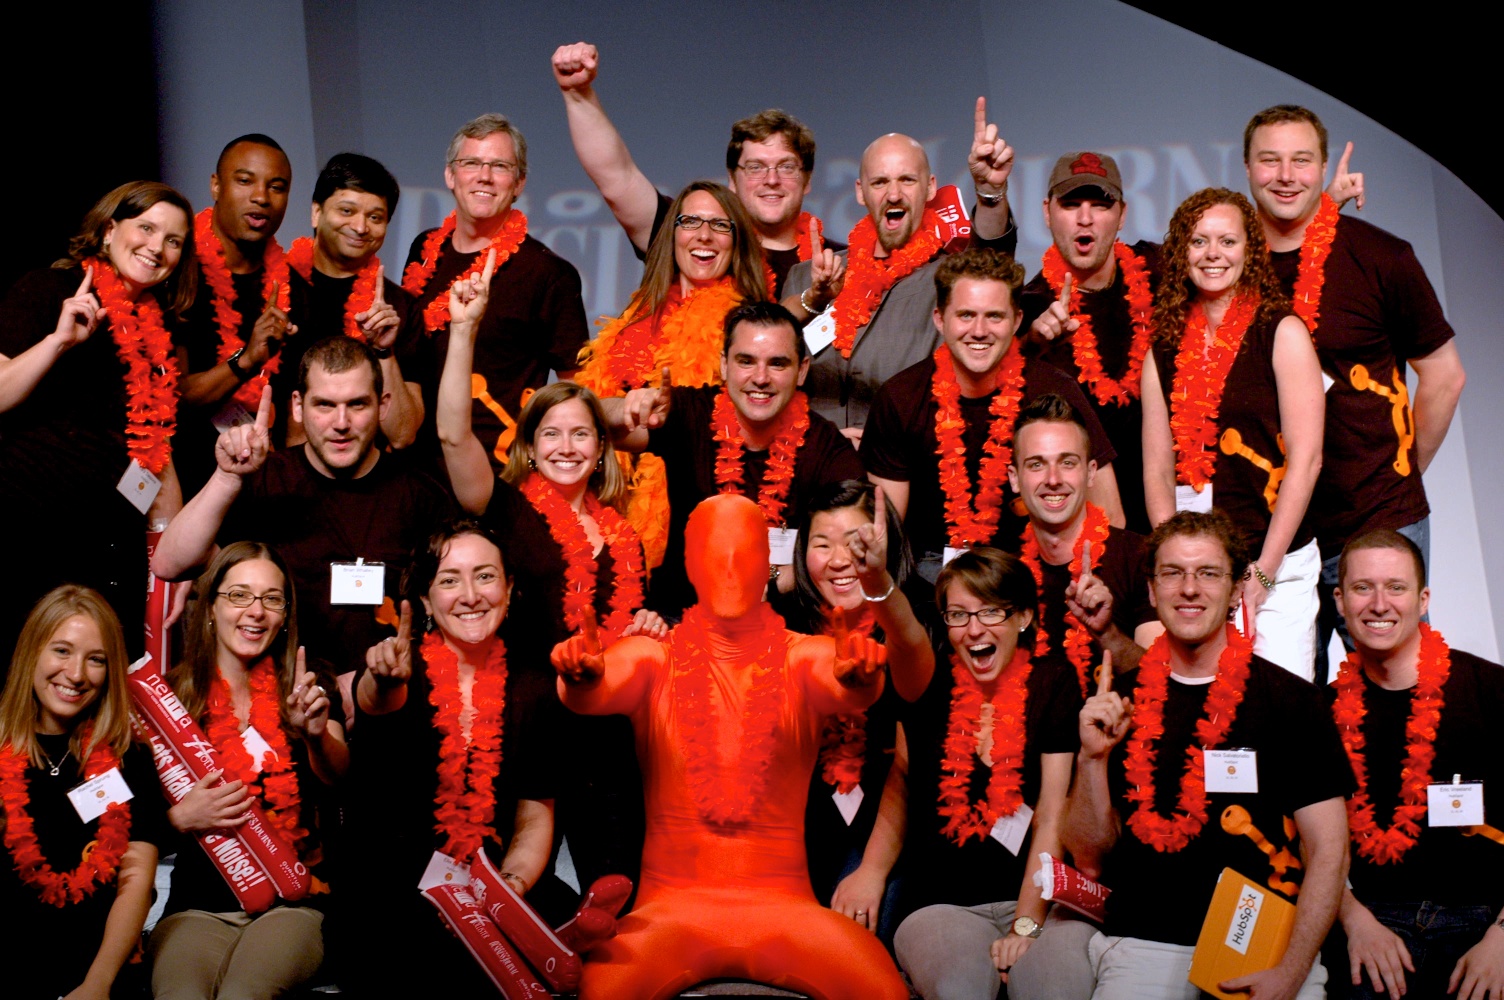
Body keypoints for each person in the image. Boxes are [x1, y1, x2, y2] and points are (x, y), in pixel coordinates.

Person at [551, 494, 909, 999]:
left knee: (883, 989)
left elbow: (842, 678)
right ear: (691, 567)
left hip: (785, 908)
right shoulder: (656, 657)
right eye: (715, 556)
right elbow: (599, 687)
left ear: (768, 564)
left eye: (744, 555)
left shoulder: (801, 654)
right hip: (669, 911)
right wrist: (580, 677)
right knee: (599, 992)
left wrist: (861, 680)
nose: (730, 570)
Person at [1062, 510, 1351, 1000]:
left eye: (1208, 573)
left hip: (1268, 951)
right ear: (1152, 592)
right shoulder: (1118, 703)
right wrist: (1092, 759)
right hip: (1143, 948)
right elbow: (1088, 858)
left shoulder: (1293, 703)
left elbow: (1329, 852)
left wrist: (1291, 970)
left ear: (1238, 589)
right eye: (1172, 573)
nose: (1189, 589)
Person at [1242, 105, 1466, 675]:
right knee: (1288, 703)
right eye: (1270, 160)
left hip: (1375, 515)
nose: (1286, 175)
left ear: (1322, 168)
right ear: (1247, 169)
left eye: (1301, 160)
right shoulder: (1227, 265)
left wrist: (1400, 469)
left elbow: (1444, 375)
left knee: (1395, 686)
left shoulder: (1381, 256)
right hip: (1273, 537)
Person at [151, 336, 455, 683]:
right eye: (324, 405)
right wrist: (226, 477)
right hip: (277, 699)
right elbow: (169, 563)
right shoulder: (262, 479)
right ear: (298, 406)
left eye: (357, 405)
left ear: (383, 405)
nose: (341, 422)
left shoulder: (422, 497)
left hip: (385, 695)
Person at [347, 519, 562, 994]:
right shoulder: (399, 672)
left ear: (509, 589)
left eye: (484, 576)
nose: (470, 595)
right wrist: (380, 681)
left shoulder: (535, 687)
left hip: (498, 879)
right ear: (425, 600)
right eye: (448, 580)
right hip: (399, 892)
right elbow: (374, 702)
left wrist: (507, 890)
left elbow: (534, 814)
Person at [0, 181, 195, 660]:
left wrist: (172, 561)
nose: (156, 247)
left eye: (173, 240)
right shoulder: (49, 289)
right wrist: (58, 343)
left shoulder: (160, 328)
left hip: (106, 541)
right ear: (109, 230)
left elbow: (157, 453)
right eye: (146, 228)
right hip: (24, 529)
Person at [1142, 187, 1325, 679]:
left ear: (1251, 249)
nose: (1213, 255)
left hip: (1275, 560)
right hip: (1194, 573)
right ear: (1181, 252)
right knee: (1203, 710)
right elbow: (1158, 469)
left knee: (1280, 706)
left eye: (1227, 241)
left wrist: (1264, 570)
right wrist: (1173, 563)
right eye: (1199, 242)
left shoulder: (1281, 331)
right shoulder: (1161, 345)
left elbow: (1307, 460)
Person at [148, 542, 345, 999]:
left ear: (285, 614)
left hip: (292, 906)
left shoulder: (305, 686)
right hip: (197, 909)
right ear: (212, 606)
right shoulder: (170, 703)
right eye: (239, 595)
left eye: (271, 599)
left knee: (243, 994)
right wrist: (180, 818)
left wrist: (314, 734)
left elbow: (339, 777)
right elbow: (132, 827)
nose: (256, 612)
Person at [862, 247, 1119, 584]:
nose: (979, 331)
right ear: (940, 318)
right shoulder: (900, 398)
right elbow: (886, 535)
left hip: (1033, 568)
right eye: (966, 315)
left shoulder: (1055, 391)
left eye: (994, 316)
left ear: (1016, 321)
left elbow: (1110, 515)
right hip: (929, 572)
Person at [892, 548, 1083, 1000]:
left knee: (1054, 988)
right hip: (944, 906)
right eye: (958, 614)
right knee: (962, 987)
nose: (974, 628)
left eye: (990, 611)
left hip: (1043, 906)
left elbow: (1051, 816)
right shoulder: (930, 682)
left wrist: (1025, 925)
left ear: (1023, 618)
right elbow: (899, 631)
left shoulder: (1053, 681)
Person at [1326, 529, 1504, 1000]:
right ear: (1340, 601)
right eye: (1363, 588)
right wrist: (1353, 919)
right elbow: (1304, 844)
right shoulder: (1318, 714)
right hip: (1370, 924)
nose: (1379, 604)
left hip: (1484, 923)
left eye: (1397, 587)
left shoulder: (1491, 690)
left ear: (1423, 599)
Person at [606, 300, 865, 617]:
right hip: (682, 617)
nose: (760, 378)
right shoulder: (692, 412)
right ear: (724, 366)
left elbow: (859, 542)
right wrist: (628, 407)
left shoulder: (825, 447)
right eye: (746, 361)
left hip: (782, 627)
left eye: (777, 364)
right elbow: (594, 424)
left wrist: (771, 585)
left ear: (802, 371)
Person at [782, 104, 1018, 442]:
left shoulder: (951, 278)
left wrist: (989, 191)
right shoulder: (807, 278)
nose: (894, 194)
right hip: (813, 468)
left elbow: (992, 266)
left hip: (904, 465)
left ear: (930, 187)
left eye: (907, 180)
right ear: (861, 192)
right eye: (880, 182)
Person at [551, 41, 842, 298]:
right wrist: (577, 94)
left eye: (787, 167)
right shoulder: (695, 237)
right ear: (732, 179)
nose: (771, 180)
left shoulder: (842, 261)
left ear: (807, 180)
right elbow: (617, 178)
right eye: (755, 167)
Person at [575, 180, 768, 568]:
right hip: (606, 503)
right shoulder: (641, 312)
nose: (704, 235)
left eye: (720, 225)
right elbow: (588, 400)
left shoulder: (744, 329)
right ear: (673, 233)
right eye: (691, 221)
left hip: (680, 518)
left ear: (738, 241)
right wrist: (614, 408)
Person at [777, 480, 934, 937]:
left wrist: (871, 872)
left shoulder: (917, 616)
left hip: (891, 831)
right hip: (807, 819)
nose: (840, 560)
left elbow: (907, 767)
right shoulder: (790, 622)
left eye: (856, 542)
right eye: (822, 545)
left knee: (857, 931)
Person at [0, 586, 163, 1000]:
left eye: (96, 660)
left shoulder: (130, 758)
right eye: (61, 651)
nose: (76, 674)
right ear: (31, 653)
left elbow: (136, 878)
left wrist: (98, 984)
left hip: (100, 967)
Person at [401, 113, 588, 473]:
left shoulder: (549, 274)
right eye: (471, 163)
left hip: (495, 471)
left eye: (500, 166)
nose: (484, 176)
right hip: (414, 466)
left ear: (519, 183)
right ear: (450, 175)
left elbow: (578, 393)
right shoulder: (424, 249)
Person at [1020, 152, 1159, 532]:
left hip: (1169, 511)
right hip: (1086, 529)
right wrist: (1032, 343)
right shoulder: (1028, 307)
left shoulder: (1159, 272)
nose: (1085, 218)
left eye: (1100, 206)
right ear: (1047, 212)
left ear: (1122, 215)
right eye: (1071, 205)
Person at [1010, 393, 1160, 691]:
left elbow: (1163, 687)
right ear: (1014, 478)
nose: (1053, 479)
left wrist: (1107, 633)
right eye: (1037, 465)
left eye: (1067, 462)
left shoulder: (1141, 558)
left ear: (1090, 473)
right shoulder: (1005, 573)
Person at [175, 134, 297, 496]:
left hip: (266, 486)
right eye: (245, 181)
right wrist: (247, 360)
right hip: (187, 483)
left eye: (277, 187)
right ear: (216, 185)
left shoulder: (292, 286)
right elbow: (175, 397)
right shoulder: (177, 274)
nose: (261, 197)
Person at [281, 152, 426, 450]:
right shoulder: (274, 288)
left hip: (369, 486)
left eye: (375, 217)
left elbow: (402, 435)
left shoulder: (397, 307)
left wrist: (384, 351)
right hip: (280, 477)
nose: (361, 228)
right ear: (316, 213)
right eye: (347, 211)